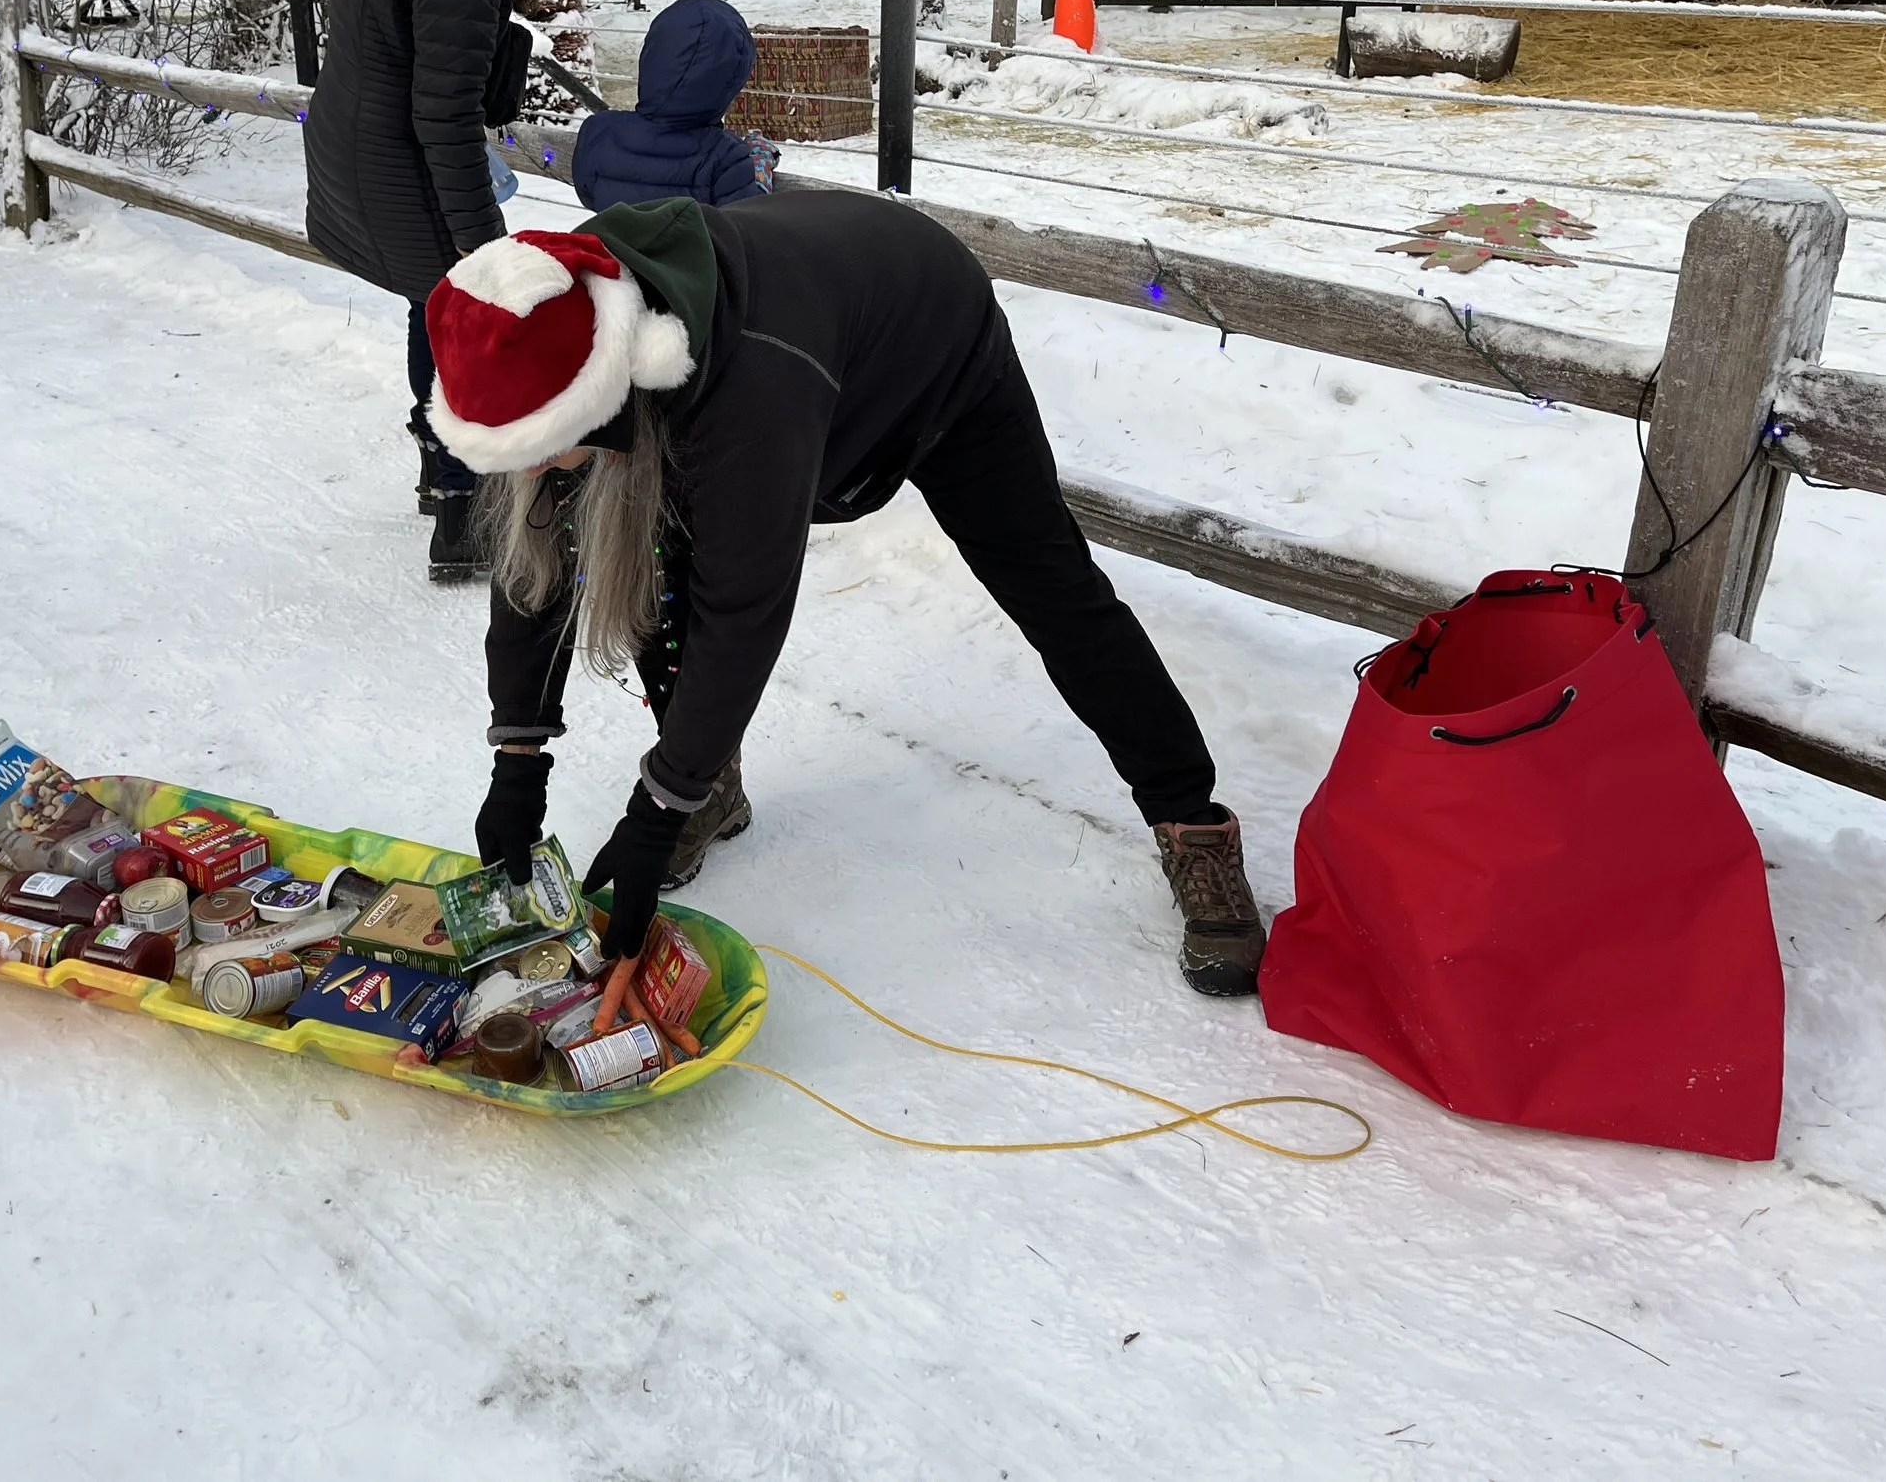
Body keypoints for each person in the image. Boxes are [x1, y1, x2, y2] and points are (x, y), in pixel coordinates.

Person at [427, 194, 1265, 1004]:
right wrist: (518, 758)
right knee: (641, 551)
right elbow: (539, 550)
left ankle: (1191, 818)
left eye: (541, 447)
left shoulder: (744, 389)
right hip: (806, 342)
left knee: (1051, 587)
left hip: (934, 349)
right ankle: (710, 788)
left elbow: (741, 611)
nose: (532, 469)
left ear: (597, 393)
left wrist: (654, 810)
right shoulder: (545, 319)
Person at [302, 0, 604, 582]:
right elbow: (442, 116)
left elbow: (401, 42)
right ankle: (465, 514)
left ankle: (441, 475)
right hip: (400, 168)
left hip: (353, 149)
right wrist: (484, 246)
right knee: (470, 316)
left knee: (429, 305)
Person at [571, 0, 778, 211]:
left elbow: (589, 194)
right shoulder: (725, 156)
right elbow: (744, 219)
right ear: (730, 81)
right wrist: (758, 164)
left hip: (612, 234)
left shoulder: (599, 132)